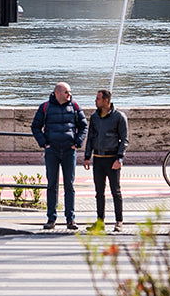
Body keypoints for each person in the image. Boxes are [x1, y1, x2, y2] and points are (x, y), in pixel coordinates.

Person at [31, 81, 87, 230]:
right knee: (52, 185)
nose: (70, 94)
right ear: (58, 93)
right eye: (67, 92)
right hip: (52, 151)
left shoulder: (74, 106)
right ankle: (51, 219)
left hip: (69, 151)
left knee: (69, 185)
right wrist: (44, 143)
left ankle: (71, 219)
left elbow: (84, 126)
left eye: (69, 92)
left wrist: (78, 142)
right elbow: (35, 126)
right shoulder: (45, 107)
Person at [82, 88, 128, 232]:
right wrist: (87, 156)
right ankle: (100, 221)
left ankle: (119, 221)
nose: (95, 101)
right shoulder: (94, 117)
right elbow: (90, 137)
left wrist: (119, 158)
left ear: (106, 101)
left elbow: (124, 140)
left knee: (116, 191)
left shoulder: (119, 117)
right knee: (99, 192)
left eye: (98, 99)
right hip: (98, 159)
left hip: (112, 158)